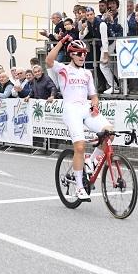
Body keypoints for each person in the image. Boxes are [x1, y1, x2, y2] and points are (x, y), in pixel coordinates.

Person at [46, 36, 112, 201]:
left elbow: (94, 96)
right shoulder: (63, 69)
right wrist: (61, 42)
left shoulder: (87, 73)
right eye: (78, 53)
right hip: (71, 110)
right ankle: (79, 188)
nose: (82, 56)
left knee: (109, 133)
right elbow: (48, 60)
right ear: (71, 55)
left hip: (86, 108)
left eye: (84, 53)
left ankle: (91, 161)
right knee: (80, 147)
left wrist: (95, 105)